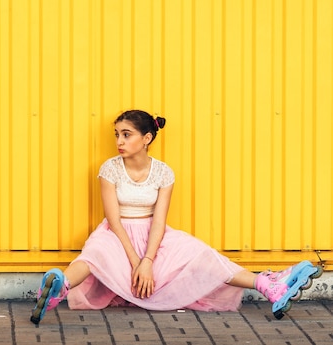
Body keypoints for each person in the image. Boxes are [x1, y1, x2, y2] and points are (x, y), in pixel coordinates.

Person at [30, 109, 322, 325]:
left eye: (126, 134)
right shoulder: (110, 169)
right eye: (117, 134)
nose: (119, 140)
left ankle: (268, 285)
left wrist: (148, 261)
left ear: (146, 138)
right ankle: (59, 287)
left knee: (201, 254)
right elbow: (114, 220)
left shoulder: (163, 172)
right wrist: (136, 262)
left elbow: (158, 221)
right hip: (117, 234)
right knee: (96, 252)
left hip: (154, 236)